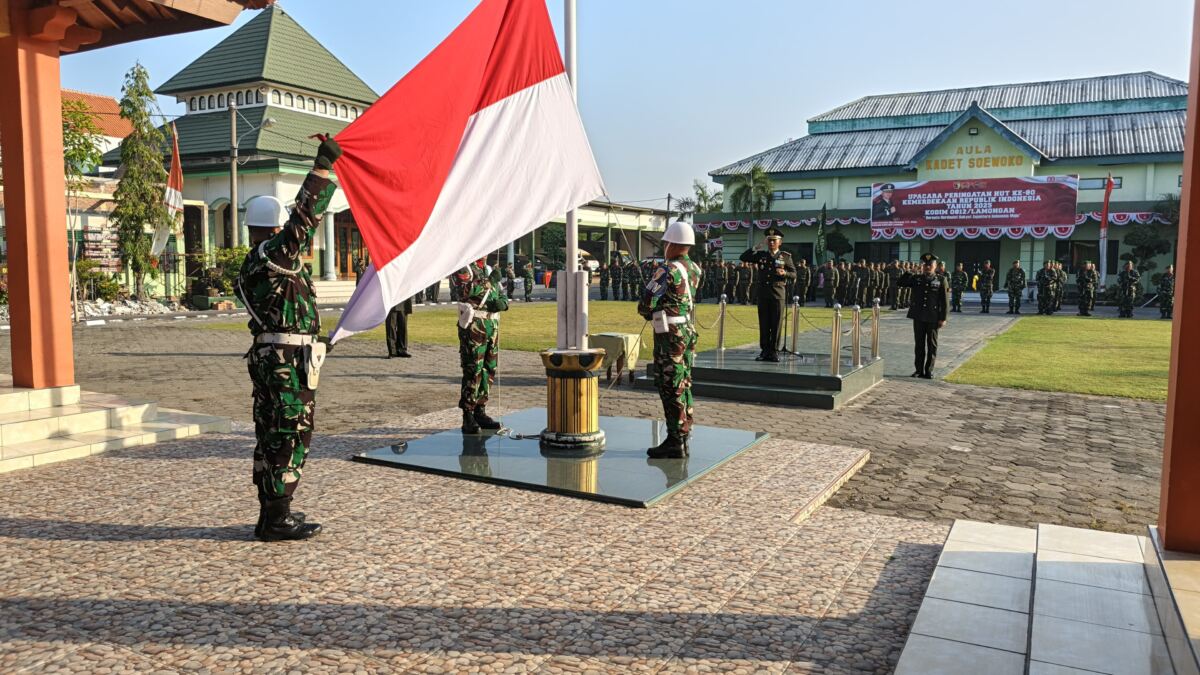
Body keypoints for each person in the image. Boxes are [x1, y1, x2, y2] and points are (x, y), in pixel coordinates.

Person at [235, 135, 340, 542]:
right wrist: (322, 168)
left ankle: (272, 513)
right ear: (274, 229)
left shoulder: (253, 263)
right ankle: (276, 519)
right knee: (289, 432)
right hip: (283, 363)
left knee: (273, 430)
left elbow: (285, 310)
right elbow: (304, 220)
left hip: (276, 354)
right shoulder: (273, 256)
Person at [638, 220, 701, 458]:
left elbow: (647, 300)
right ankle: (685, 432)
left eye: (666, 242)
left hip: (669, 335)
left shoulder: (667, 269)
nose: (664, 246)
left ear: (673, 244)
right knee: (684, 382)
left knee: (670, 385)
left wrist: (646, 310)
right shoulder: (695, 268)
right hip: (686, 330)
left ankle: (675, 439)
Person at [452, 256, 510, 433]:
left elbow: (501, 293)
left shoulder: (490, 269)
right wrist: (488, 282)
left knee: (488, 369)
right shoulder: (464, 268)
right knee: (473, 369)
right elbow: (463, 291)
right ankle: (468, 414)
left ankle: (480, 409)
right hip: (474, 325)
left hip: (492, 326)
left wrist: (503, 304)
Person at [740, 226, 796, 362]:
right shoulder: (762, 255)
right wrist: (757, 246)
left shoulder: (785, 257)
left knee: (776, 324)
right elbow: (743, 257)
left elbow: (794, 274)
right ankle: (765, 351)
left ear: (779, 242)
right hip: (763, 294)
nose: (771, 243)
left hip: (778, 294)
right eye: (769, 240)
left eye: (774, 240)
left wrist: (785, 273)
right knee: (764, 324)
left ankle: (774, 351)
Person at [895, 253, 949, 379]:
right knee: (919, 344)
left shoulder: (941, 280)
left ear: (935, 266)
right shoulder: (917, 278)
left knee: (932, 344)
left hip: (933, 317)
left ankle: (929, 370)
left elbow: (945, 301)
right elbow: (900, 283)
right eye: (925, 265)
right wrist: (910, 271)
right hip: (918, 316)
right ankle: (918, 370)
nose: (927, 267)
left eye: (930, 265)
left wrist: (943, 318)